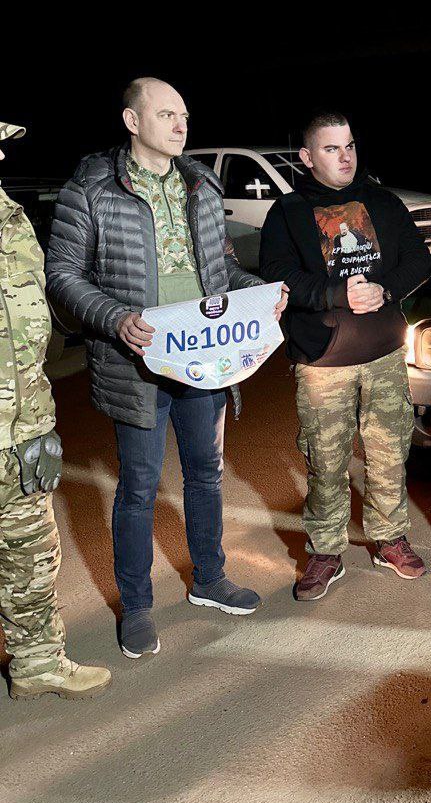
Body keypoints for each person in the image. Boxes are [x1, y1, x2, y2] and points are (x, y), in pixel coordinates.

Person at [46, 78, 286, 659]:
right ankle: (136, 607)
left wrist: (259, 296)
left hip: (202, 358)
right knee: (138, 487)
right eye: (166, 115)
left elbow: (222, 270)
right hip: (138, 365)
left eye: (184, 115)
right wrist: (115, 318)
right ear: (132, 122)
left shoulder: (201, 185)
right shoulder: (92, 189)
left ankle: (210, 579)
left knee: (206, 473)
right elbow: (62, 275)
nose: (181, 125)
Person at [259, 112, 431, 599]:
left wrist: (385, 289)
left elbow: (419, 259)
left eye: (350, 145)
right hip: (322, 361)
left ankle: (389, 538)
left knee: (389, 453)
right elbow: (278, 274)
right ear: (307, 156)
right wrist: (337, 295)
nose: (345, 156)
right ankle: (326, 550)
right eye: (332, 148)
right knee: (326, 461)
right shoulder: (288, 212)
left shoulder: (382, 201)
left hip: (384, 354)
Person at [0, 121, 111, 699]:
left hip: (20, 430)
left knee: (31, 556)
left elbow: (27, 330)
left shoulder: (9, 217)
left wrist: (38, 423)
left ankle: (37, 664)